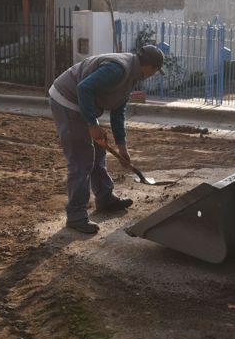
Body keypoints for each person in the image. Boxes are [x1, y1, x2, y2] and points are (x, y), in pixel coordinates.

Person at [48, 45, 164, 233]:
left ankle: (105, 198)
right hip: (67, 101)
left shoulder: (132, 75)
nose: (154, 74)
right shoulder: (117, 69)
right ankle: (76, 216)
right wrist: (92, 124)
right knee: (82, 159)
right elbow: (84, 88)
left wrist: (122, 146)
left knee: (99, 151)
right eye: (156, 71)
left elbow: (118, 111)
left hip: (83, 105)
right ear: (149, 67)